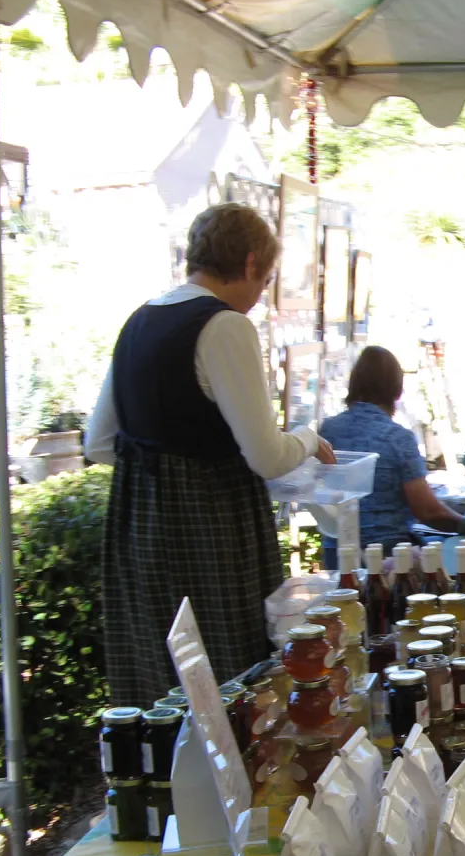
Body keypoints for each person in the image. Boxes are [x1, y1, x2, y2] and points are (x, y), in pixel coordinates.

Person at [86, 203, 334, 707]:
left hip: (138, 525)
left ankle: (164, 781)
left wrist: (160, 469)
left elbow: (97, 442)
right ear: (248, 264)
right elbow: (266, 456)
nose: (259, 298)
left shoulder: (139, 322)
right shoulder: (224, 326)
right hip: (209, 524)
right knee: (223, 673)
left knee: (160, 672)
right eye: (264, 283)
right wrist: (309, 438)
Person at [318, 345, 462, 555]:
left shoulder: (327, 430)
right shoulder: (397, 437)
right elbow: (429, 512)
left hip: (337, 552)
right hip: (388, 555)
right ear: (397, 389)